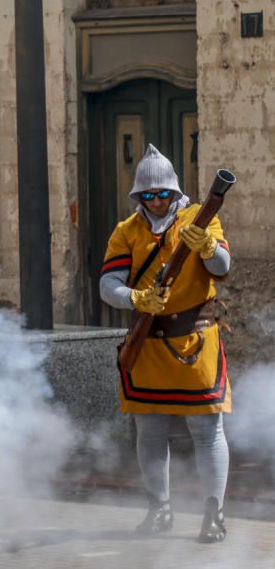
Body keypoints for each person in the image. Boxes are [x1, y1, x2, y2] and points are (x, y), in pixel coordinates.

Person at [100, 144, 232, 543]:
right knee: (150, 431)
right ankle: (159, 510)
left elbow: (223, 267)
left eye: (163, 195)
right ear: (138, 198)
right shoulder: (126, 231)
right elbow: (108, 285)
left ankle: (214, 514)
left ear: (176, 193)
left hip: (196, 342)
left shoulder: (200, 218)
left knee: (207, 430)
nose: (157, 202)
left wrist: (208, 245)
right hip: (149, 346)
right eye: (148, 195)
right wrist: (136, 300)